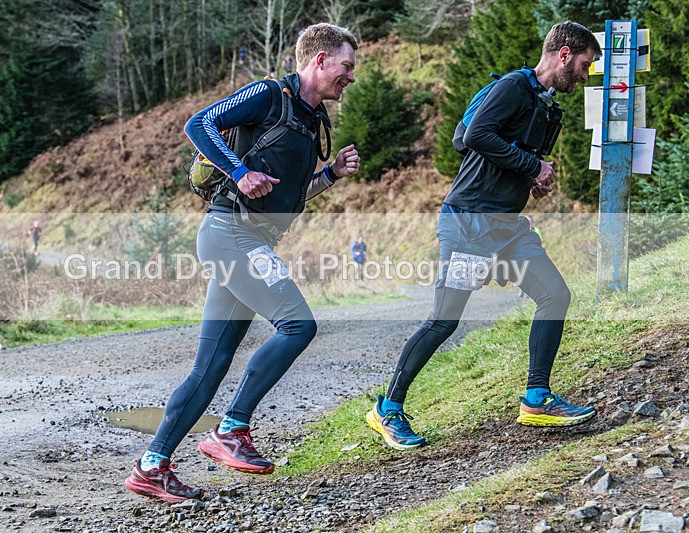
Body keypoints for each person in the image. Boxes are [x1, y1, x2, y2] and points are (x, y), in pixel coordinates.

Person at [125, 23, 360, 503]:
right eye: (346, 66)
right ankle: (232, 429)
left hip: (250, 240)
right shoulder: (269, 95)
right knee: (298, 325)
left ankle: (152, 466)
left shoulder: (313, 122)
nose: (350, 77)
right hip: (230, 233)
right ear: (318, 61)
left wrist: (329, 175)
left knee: (210, 365)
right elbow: (198, 124)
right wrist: (238, 170)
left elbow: (287, 196)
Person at [366, 21, 601, 450]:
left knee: (555, 295)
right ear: (564, 54)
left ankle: (537, 397)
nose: (585, 76)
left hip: (508, 227)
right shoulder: (514, 86)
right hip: (470, 224)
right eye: (585, 65)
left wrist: (533, 179)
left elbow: (509, 155)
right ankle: (388, 408)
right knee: (444, 321)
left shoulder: (550, 109)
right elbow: (475, 136)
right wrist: (533, 168)